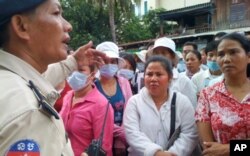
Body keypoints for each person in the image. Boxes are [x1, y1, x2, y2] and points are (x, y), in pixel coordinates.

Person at [0, 0, 106, 155]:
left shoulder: (10, 81)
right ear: (21, 26)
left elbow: (36, 80)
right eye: (56, 13)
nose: (68, 25)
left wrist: (74, 62)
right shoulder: (30, 114)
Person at [124, 56, 198, 156]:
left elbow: (190, 133)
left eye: (159, 74)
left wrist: (173, 153)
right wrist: (156, 153)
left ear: (170, 78)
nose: (153, 79)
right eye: (149, 74)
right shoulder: (134, 102)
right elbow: (132, 133)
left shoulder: (182, 101)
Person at [195, 32, 250, 156]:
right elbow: (209, 148)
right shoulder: (208, 96)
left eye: (233, 52)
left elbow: (220, 151)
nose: (226, 59)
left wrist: (228, 149)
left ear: (248, 57)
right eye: (221, 54)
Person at [60, 64, 114, 156]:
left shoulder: (101, 105)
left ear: (92, 75)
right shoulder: (68, 96)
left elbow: (104, 146)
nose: (74, 74)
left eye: (80, 70)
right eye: (72, 69)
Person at [94, 41, 133, 156]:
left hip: (124, 140)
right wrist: (120, 133)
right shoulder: (92, 85)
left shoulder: (124, 83)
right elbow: (95, 116)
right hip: (99, 139)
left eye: (112, 61)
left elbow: (130, 110)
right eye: (105, 61)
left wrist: (122, 137)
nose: (109, 64)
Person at [151, 37, 197, 108]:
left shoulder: (183, 81)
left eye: (163, 53)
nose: (159, 57)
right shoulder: (150, 80)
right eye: (156, 53)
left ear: (172, 56)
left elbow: (192, 110)